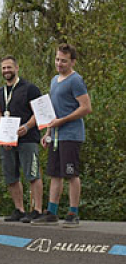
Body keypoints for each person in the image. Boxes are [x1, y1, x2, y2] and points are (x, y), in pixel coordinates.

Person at [33, 43, 92, 227]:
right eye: (57, 59)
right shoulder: (54, 80)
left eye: (64, 61)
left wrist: (63, 121)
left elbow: (86, 107)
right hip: (56, 135)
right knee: (54, 174)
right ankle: (52, 211)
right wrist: (48, 131)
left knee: (71, 174)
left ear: (72, 61)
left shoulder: (75, 80)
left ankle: (73, 212)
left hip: (71, 135)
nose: (59, 63)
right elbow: (54, 111)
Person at [0, 56, 44, 223]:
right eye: (3, 68)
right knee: (11, 176)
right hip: (8, 141)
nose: (6, 71)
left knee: (32, 174)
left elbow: (39, 112)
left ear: (17, 68)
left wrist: (27, 127)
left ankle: (37, 209)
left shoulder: (30, 88)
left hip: (28, 138)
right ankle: (19, 209)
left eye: (9, 67)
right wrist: (2, 136)